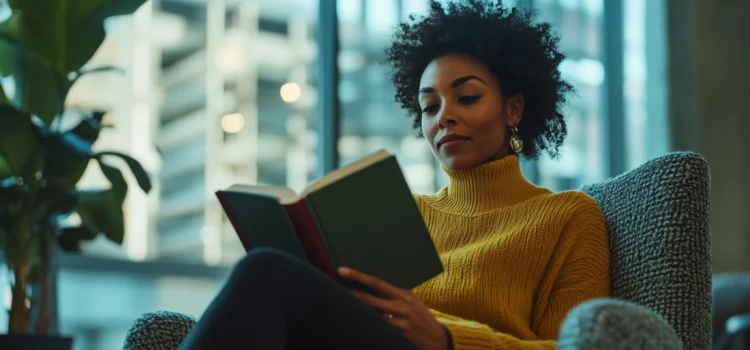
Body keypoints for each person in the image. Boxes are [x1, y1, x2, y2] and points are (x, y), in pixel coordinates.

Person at [178, 1, 610, 349]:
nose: (445, 118)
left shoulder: (568, 217)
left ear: (513, 108)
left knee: (266, 272)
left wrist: (447, 338)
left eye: (468, 96)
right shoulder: (407, 214)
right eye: (429, 107)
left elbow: (575, 348)